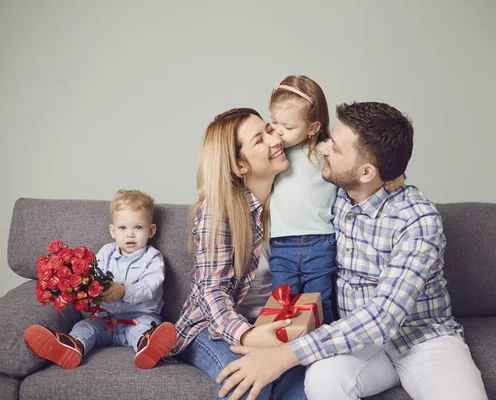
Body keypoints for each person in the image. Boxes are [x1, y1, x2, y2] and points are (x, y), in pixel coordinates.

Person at [216, 102, 488, 400]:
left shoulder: (418, 220)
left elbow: (382, 317)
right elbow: (264, 165)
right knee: (322, 380)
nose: (323, 150)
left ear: (367, 172)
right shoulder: (338, 196)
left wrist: (284, 355)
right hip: (356, 345)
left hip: (422, 339)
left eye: (335, 147)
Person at [169, 108, 306, 400]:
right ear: (240, 164)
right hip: (210, 327)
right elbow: (211, 291)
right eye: (259, 140)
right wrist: (247, 335)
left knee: (304, 389)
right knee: (248, 380)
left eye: (269, 130)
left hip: (267, 326)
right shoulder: (217, 212)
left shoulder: (293, 196)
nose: (275, 139)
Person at [24, 189, 176, 370]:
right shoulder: (106, 253)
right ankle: (72, 346)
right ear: (113, 231)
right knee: (84, 327)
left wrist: (123, 290)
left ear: (151, 231)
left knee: (145, 329)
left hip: (139, 318)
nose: (130, 234)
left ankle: (147, 348)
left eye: (138, 227)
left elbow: (150, 287)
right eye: (123, 228)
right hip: (105, 321)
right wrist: (77, 283)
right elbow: (91, 275)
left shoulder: (153, 258)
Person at [268, 75, 337, 324]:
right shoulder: (273, 153)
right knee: (282, 303)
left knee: (320, 302)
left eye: (288, 127)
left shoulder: (326, 151)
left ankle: (326, 352)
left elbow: (364, 161)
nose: (278, 131)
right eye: (274, 122)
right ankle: (285, 350)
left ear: (313, 127)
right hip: (281, 244)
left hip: (319, 242)